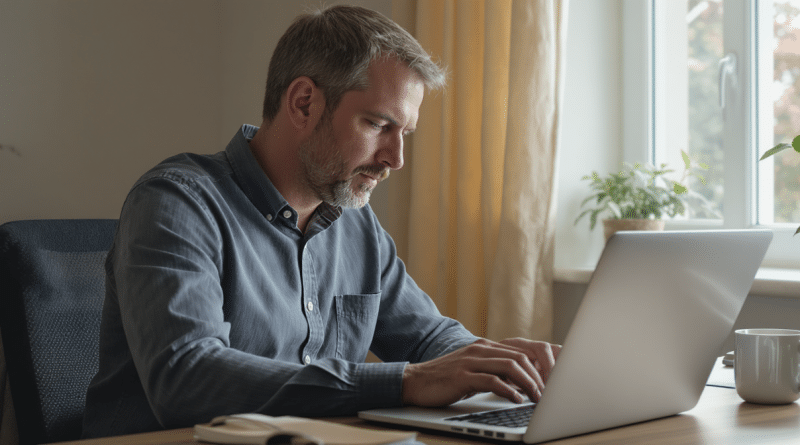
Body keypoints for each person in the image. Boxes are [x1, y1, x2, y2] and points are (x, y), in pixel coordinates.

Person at [82, 4, 560, 438]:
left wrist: (504, 366)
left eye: (405, 133)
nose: (395, 159)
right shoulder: (177, 203)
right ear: (304, 103)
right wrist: (407, 382)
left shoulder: (356, 223)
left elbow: (430, 338)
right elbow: (187, 379)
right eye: (378, 125)